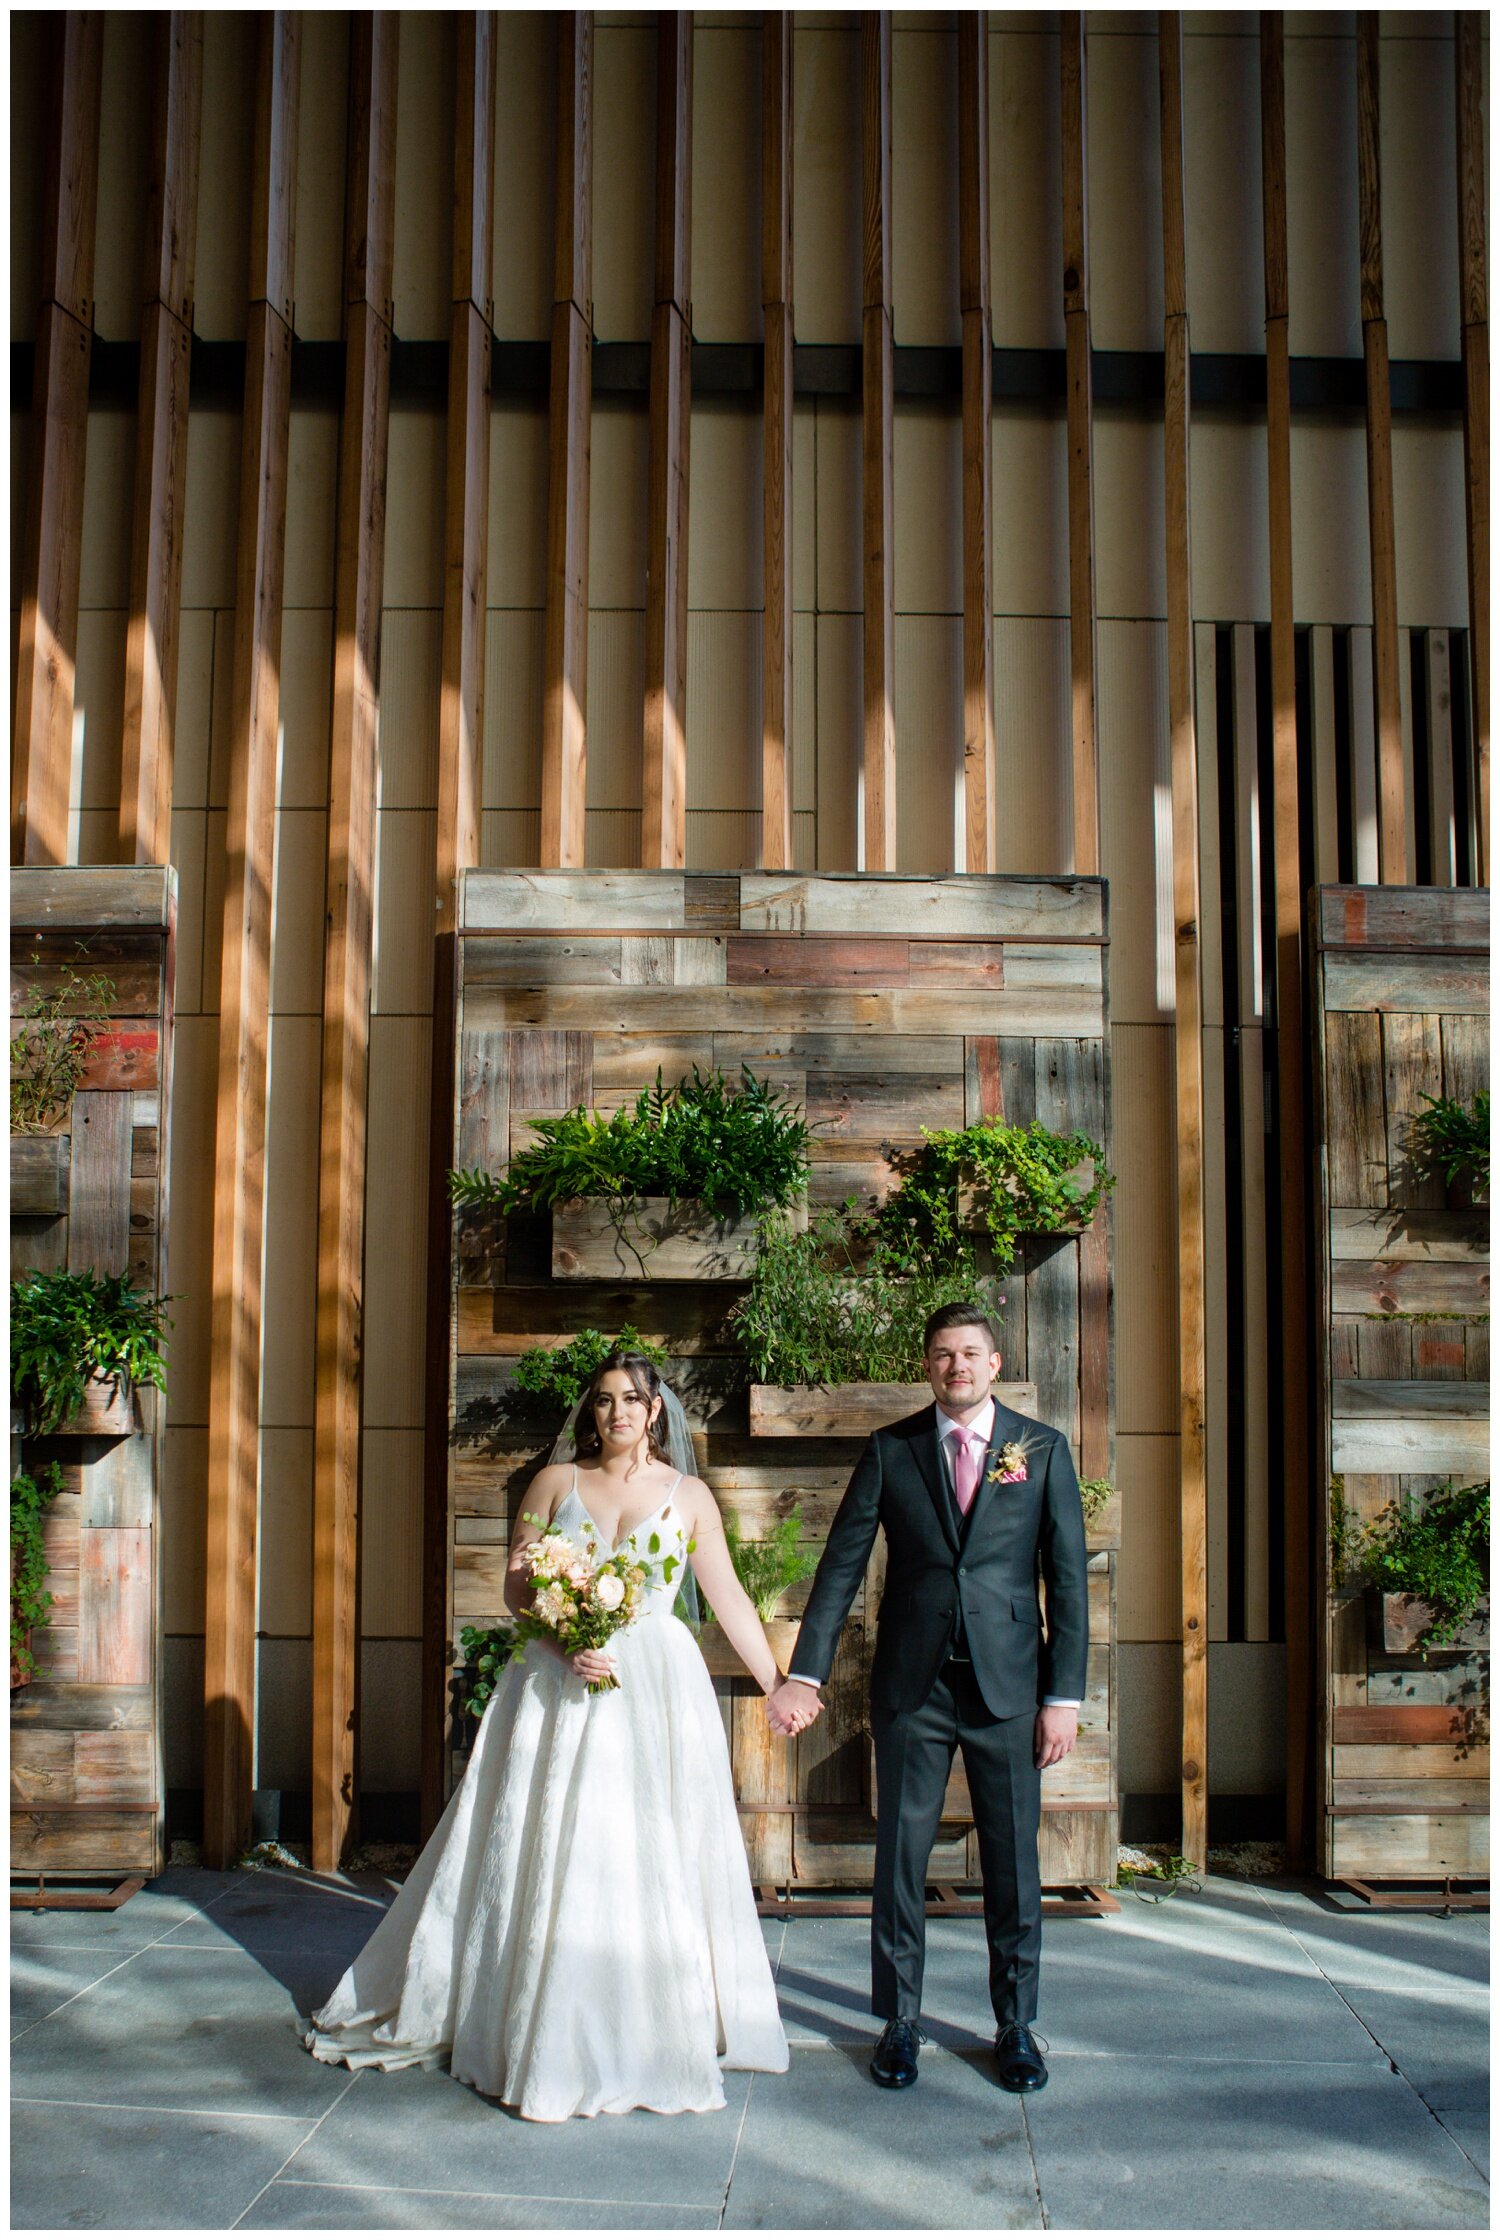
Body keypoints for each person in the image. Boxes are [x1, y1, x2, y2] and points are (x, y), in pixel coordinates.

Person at [304, 1353, 798, 2122]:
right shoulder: (554, 1484)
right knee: (551, 1839)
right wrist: (563, 1636)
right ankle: (534, 2011)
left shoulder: (689, 1495)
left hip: (652, 1688)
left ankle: (650, 2013)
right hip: (558, 1679)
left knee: (644, 1843)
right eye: (603, 1402)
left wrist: (776, 1683)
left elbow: (725, 1594)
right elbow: (515, 1582)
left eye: (633, 1400)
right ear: (590, 1413)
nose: (617, 1414)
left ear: (657, 1410)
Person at [767, 1302, 1089, 2096]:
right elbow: (841, 1565)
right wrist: (805, 1671)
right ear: (928, 1364)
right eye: (943, 1355)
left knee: (1013, 1861)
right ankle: (899, 2022)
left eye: (971, 1354)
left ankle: (1015, 2026)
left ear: (996, 1360)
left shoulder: (1039, 1450)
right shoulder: (892, 1450)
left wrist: (1065, 1696)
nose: (958, 1368)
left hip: (1009, 1687)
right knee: (900, 1861)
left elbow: (1070, 1580)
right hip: (914, 1686)